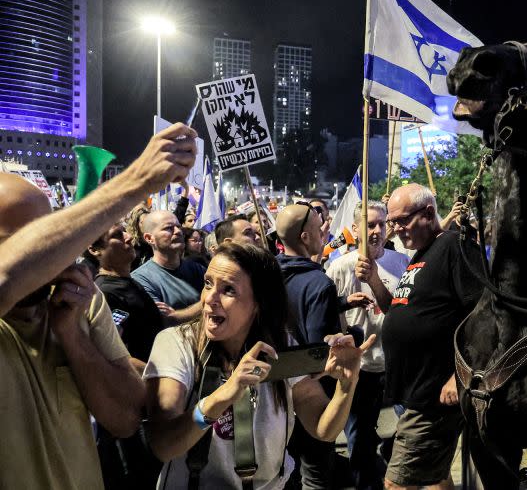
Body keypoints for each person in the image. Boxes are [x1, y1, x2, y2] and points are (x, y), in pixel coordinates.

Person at [0, 122, 198, 489]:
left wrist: (73, 337)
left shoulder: (80, 304)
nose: (49, 258)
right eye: (30, 244)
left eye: (53, 238)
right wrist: (133, 182)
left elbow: (124, 418)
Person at [144, 243, 374, 489]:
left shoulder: (278, 346)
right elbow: (163, 445)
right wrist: (222, 396)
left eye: (228, 290)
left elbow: (322, 428)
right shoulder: (177, 344)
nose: (209, 299)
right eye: (208, 283)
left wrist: (347, 384)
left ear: (259, 303)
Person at [381, 184, 484, 490]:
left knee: (397, 484)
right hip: (416, 391)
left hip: (434, 396)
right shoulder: (423, 253)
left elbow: (480, 313)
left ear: (428, 213)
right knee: (437, 477)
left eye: (402, 221)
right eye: (393, 222)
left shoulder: (456, 245)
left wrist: (459, 374)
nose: (396, 230)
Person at [275, 201, 366, 489]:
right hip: (312, 398)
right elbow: (319, 352)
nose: (325, 231)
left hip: (276, 396)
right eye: (319, 228)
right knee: (316, 475)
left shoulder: (267, 276)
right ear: (304, 237)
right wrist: (354, 336)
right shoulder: (319, 283)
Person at [327, 201, 410, 490]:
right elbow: (332, 318)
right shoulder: (338, 267)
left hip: (396, 364)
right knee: (359, 443)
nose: (376, 231)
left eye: (381, 224)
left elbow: (405, 312)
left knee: (410, 435)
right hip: (360, 370)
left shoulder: (401, 263)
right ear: (354, 229)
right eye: (369, 224)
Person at [87, 222, 166, 488]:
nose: (128, 237)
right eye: (117, 235)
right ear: (95, 249)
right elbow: (113, 353)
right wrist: (162, 376)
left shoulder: (128, 282)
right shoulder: (104, 294)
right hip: (132, 410)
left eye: (126, 231)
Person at [131, 210, 205, 321]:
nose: (178, 232)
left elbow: (218, 299)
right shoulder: (140, 279)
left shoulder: (197, 268)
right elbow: (165, 320)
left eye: (178, 227)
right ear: (149, 238)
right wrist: (206, 303)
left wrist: (179, 314)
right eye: (168, 228)